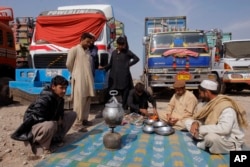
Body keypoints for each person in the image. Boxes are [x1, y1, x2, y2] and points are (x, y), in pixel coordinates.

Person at [11, 75, 76, 155]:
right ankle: (42, 146)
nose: (64, 90)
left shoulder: (59, 98)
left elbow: (59, 113)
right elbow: (35, 118)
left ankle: (55, 138)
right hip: (34, 128)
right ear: (53, 87)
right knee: (51, 125)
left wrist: (59, 119)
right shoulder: (44, 99)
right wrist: (54, 122)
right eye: (61, 88)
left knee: (72, 115)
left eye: (65, 88)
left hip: (49, 123)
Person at [185, 79, 248, 154]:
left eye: (200, 93)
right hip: (211, 130)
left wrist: (201, 129)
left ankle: (206, 144)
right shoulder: (208, 103)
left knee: (210, 137)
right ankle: (206, 142)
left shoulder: (226, 107)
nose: (200, 95)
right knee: (188, 122)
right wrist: (195, 123)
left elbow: (225, 129)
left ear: (207, 92)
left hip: (228, 139)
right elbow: (201, 119)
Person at [66, 32, 95, 132]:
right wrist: (76, 73)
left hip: (88, 79)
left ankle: (84, 120)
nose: (89, 44)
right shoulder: (74, 50)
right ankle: (77, 123)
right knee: (79, 101)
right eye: (87, 41)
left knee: (87, 99)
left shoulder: (87, 51)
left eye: (90, 42)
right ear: (81, 39)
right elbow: (69, 64)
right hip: (79, 79)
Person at [102, 36, 139, 109]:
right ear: (117, 44)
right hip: (114, 78)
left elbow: (136, 59)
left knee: (125, 95)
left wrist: (128, 65)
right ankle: (107, 109)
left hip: (124, 78)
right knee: (109, 94)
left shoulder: (127, 52)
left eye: (123, 45)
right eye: (120, 45)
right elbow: (111, 64)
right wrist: (104, 68)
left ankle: (124, 109)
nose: (122, 46)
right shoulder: (113, 53)